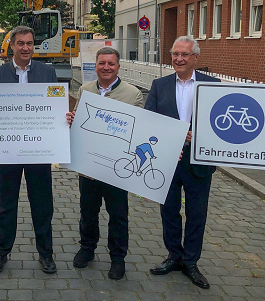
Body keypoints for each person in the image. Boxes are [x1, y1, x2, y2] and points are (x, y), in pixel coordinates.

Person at [144, 36, 220, 289]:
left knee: (197, 213)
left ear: (196, 58)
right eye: (175, 54)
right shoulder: (159, 85)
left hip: (199, 161)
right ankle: (174, 256)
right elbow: (148, 122)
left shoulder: (213, 85)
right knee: (169, 211)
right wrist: (173, 134)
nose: (178, 59)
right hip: (168, 159)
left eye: (185, 55)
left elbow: (221, 125)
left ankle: (191, 262)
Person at [66, 47, 144, 279]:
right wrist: (72, 119)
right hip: (89, 166)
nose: (106, 67)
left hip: (117, 167)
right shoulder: (85, 89)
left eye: (111, 63)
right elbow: (79, 121)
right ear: (96, 66)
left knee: (118, 215)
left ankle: (118, 258)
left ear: (118, 67)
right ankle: (87, 249)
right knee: (88, 211)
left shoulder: (133, 94)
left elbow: (140, 129)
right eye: (102, 63)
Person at [0, 26, 58, 274]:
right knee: (5, 203)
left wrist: (64, 118)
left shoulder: (48, 72)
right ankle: (1, 253)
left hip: (39, 149)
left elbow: (54, 107)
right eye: (21, 44)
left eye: (29, 43)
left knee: (42, 203)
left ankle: (46, 254)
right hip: (8, 149)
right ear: (12, 46)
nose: (26, 48)